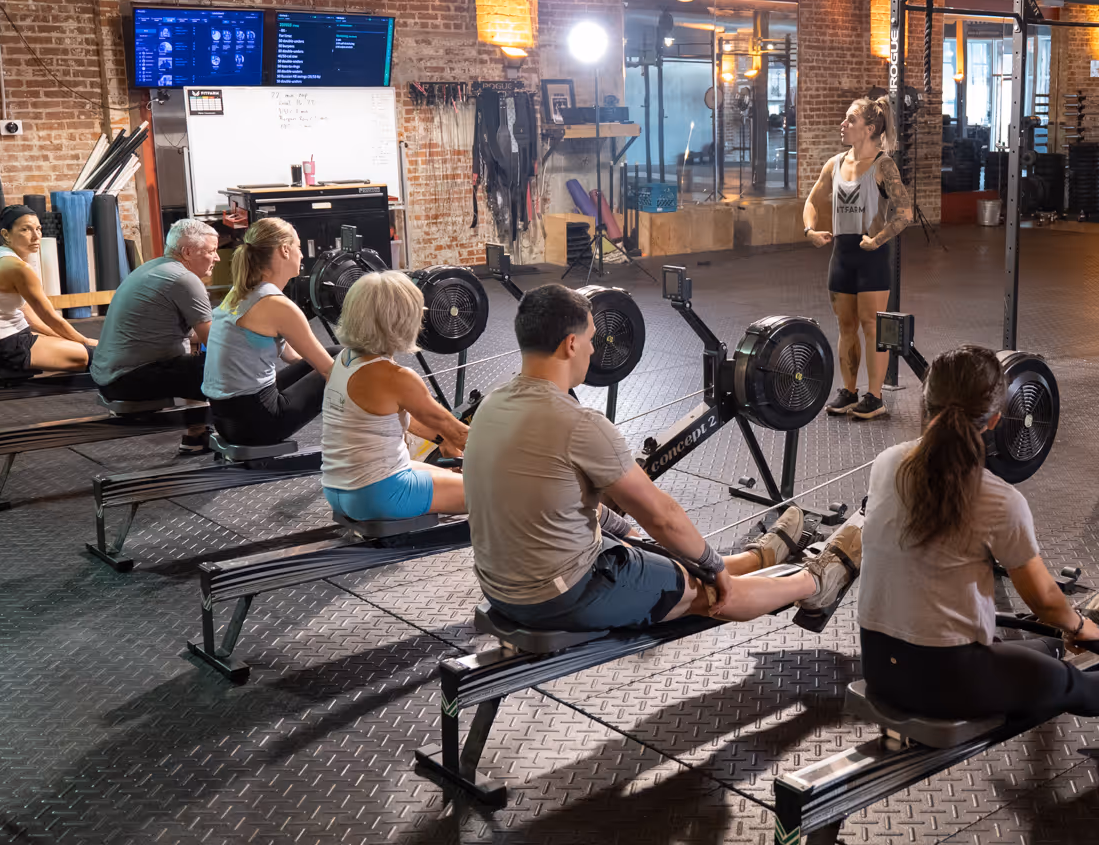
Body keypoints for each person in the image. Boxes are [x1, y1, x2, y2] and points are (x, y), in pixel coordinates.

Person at [465, 283, 860, 632]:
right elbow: (661, 516)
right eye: (591, 338)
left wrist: (624, 532)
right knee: (714, 593)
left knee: (659, 552)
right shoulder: (579, 423)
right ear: (570, 344)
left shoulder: (491, 405)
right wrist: (714, 568)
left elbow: (545, 495)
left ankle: (755, 558)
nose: (592, 348)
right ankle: (815, 582)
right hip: (560, 595)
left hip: (499, 587)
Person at [858, 345, 1099, 723]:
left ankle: (1064, 642)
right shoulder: (999, 499)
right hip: (948, 680)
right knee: (1071, 686)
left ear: (925, 402)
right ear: (995, 420)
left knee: (1042, 649)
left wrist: (1068, 625)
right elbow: (1045, 603)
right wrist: (1079, 625)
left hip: (878, 666)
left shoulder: (886, 462)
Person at [320, 270, 471, 519]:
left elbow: (396, 421)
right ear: (401, 319)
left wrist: (443, 441)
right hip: (380, 493)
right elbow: (460, 434)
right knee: (498, 491)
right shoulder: (396, 377)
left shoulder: (342, 361)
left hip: (338, 490)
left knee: (454, 476)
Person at [804, 95, 913, 421]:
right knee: (845, 325)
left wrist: (879, 239)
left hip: (872, 257)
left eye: (850, 120)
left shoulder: (883, 166)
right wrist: (810, 230)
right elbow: (812, 200)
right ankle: (849, 391)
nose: (843, 125)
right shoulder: (834, 164)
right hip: (842, 256)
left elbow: (905, 212)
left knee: (871, 326)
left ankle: (875, 397)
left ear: (870, 128)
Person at [202, 217, 334, 447]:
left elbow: (293, 357)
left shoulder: (243, 292)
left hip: (226, 418)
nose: (302, 255)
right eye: (299, 247)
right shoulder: (277, 305)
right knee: (343, 363)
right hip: (256, 424)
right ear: (284, 250)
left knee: (335, 352)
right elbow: (330, 370)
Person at [91, 218, 218, 453]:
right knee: (228, 365)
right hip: (128, 380)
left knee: (197, 360)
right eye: (211, 251)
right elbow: (215, 343)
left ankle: (197, 435)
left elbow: (182, 335)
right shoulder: (185, 279)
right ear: (188, 252)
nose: (217, 258)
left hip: (109, 377)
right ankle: (244, 436)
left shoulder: (151, 267)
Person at [0, 204, 98, 375]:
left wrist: (64, 339)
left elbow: (29, 317)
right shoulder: (17, 268)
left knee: (75, 346)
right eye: (26, 230)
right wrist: (86, 342)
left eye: (38, 229)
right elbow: (50, 318)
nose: (36, 237)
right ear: (6, 234)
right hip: (3, 347)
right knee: (96, 356)